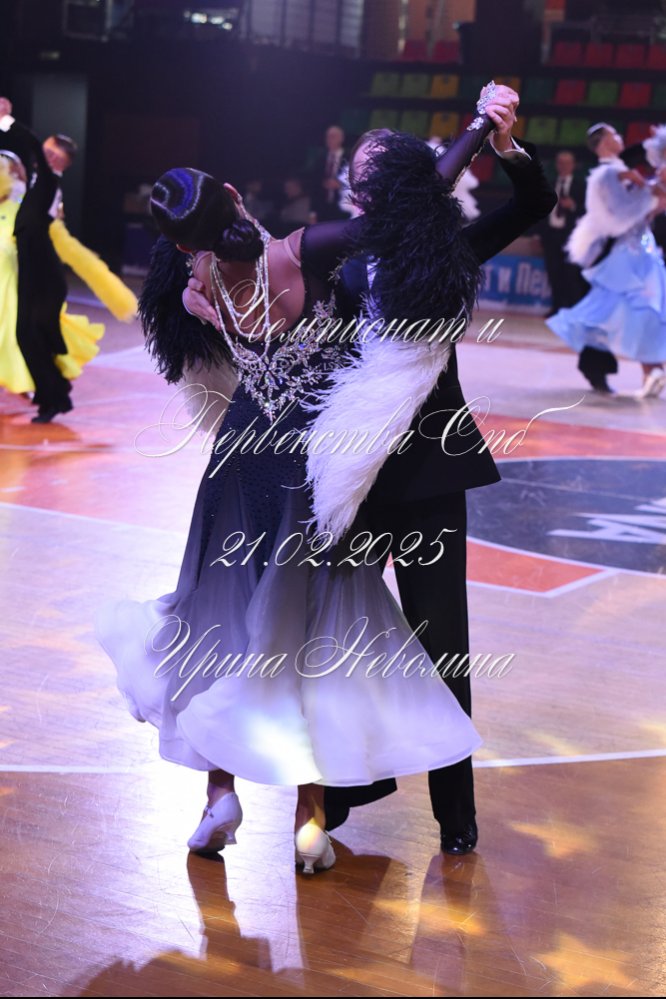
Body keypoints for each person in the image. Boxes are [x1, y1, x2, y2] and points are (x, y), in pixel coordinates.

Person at [182, 84, 557, 856]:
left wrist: (503, 143)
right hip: (351, 478)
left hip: (430, 477)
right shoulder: (340, 259)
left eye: (367, 173)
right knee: (333, 638)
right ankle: (337, 799)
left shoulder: (450, 250)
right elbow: (273, 306)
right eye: (352, 172)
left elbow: (534, 202)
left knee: (442, 643)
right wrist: (207, 297)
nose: (354, 183)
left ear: (395, 184)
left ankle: (456, 814)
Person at [0, 153, 137, 398]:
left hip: (18, 275)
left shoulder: (29, 199)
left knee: (17, 328)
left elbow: (56, 237)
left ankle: (29, 377)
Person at [547, 123, 666, 398]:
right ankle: (620, 370)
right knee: (610, 311)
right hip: (618, 255)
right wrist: (654, 189)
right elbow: (623, 214)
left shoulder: (621, 171)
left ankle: (651, 369)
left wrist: (656, 188)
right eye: (614, 134)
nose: (619, 137)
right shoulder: (606, 174)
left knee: (640, 310)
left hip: (639, 251)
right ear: (602, 143)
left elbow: (642, 210)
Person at [0, 97, 78, 422]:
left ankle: (55, 396)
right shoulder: (38, 181)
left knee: (28, 334)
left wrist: (6, 120)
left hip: (42, 269)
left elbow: (31, 143)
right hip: (35, 266)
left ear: (57, 159)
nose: (43, 153)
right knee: (30, 335)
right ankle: (54, 395)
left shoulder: (48, 178)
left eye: (49, 151)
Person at [537, 150, 588, 315]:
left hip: (571, 236)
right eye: (561, 163)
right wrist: (539, 234)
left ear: (573, 165)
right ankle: (557, 307)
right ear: (557, 165)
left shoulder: (581, 186)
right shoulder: (548, 184)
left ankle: (574, 308)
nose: (564, 166)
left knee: (571, 273)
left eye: (567, 163)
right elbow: (539, 210)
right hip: (551, 234)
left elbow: (589, 211)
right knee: (553, 271)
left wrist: (573, 206)